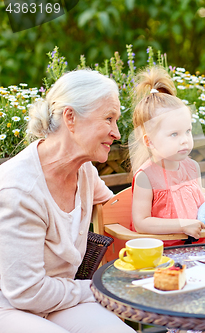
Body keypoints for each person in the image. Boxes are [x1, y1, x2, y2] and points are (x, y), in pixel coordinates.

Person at [0, 70, 135, 333]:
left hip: (60, 299)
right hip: (10, 305)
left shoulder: (83, 171)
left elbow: (121, 209)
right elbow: (26, 292)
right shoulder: (19, 190)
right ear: (70, 117)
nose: (117, 133)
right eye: (109, 119)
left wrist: (198, 208)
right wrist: (99, 287)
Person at [130, 67, 205, 246]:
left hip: (199, 247)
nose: (185, 140)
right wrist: (182, 225)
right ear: (149, 141)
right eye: (174, 134)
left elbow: (198, 208)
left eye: (188, 131)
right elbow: (141, 222)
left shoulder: (192, 167)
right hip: (163, 254)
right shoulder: (146, 176)